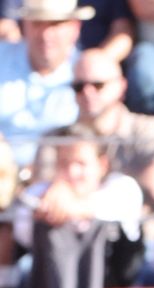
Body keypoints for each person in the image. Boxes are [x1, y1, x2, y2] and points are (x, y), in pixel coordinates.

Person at [6, 121, 144, 286]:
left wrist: (64, 204)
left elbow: (107, 207)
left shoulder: (123, 187)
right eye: (64, 163)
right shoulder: (41, 192)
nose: (72, 172)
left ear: (102, 165)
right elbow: (22, 231)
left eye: (81, 163)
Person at [69, 44, 154, 204]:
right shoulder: (61, 137)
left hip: (138, 220)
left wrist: (88, 203)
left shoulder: (147, 129)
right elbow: (45, 190)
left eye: (98, 85)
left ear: (121, 86)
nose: (87, 93)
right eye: (78, 87)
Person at [0, 0, 88, 166]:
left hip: (61, 174)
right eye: (37, 24)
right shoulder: (1, 57)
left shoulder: (88, 75)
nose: (46, 34)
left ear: (75, 27)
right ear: (24, 25)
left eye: (55, 24)